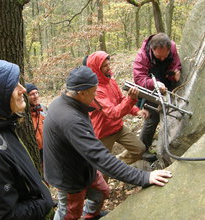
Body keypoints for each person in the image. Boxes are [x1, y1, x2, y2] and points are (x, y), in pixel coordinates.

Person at [43, 66, 172, 220]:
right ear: (81, 92)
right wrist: (144, 177)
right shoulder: (70, 118)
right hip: (70, 176)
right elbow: (101, 157)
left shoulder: (68, 102)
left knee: (102, 191)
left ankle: (90, 215)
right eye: (93, 91)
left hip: (84, 165)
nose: (96, 94)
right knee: (69, 213)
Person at [0, 59, 53, 219]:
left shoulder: (3, 126)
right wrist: (44, 203)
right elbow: (2, 216)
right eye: (13, 85)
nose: (22, 89)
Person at [85, 51, 149, 164]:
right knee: (104, 167)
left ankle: (116, 165)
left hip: (118, 127)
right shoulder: (95, 90)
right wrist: (131, 99)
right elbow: (112, 113)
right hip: (103, 133)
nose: (108, 68)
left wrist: (136, 111)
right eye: (104, 66)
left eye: (108, 64)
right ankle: (108, 172)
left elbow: (121, 100)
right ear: (96, 68)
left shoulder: (110, 80)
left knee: (139, 149)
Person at [133, 32, 181, 161]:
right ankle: (142, 150)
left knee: (171, 113)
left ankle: (169, 143)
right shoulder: (142, 56)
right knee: (152, 118)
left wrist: (175, 72)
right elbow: (139, 78)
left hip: (167, 85)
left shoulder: (172, 47)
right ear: (151, 49)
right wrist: (154, 83)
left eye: (164, 56)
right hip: (151, 88)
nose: (162, 59)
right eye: (158, 56)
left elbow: (175, 63)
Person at [25, 82, 47, 162]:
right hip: (34, 152)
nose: (36, 96)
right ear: (25, 97)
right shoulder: (25, 116)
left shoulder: (43, 110)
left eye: (37, 93)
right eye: (32, 94)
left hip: (47, 150)